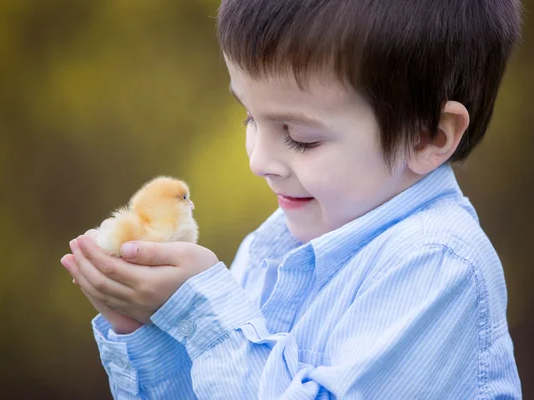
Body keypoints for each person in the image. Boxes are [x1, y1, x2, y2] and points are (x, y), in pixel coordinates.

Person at [61, 0, 523, 398]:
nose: (259, 161)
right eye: (250, 119)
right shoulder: (274, 246)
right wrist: (150, 327)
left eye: (300, 137)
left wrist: (205, 318)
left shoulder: (437, 268)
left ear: (428, 136)